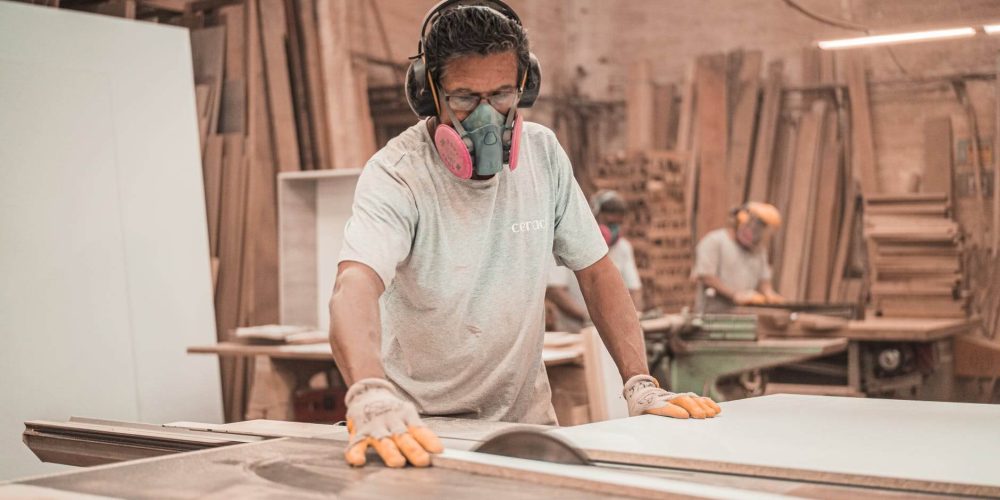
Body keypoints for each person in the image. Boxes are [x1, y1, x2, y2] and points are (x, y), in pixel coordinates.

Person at [329, 0, 721, 470]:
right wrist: (370, 393)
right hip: (417, 428)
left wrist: (640, 383)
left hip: (525, 426)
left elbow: (596, 272)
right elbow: (354, 284)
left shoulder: (543, 154)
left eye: (500, 95)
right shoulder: (398, 174)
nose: (486, 117)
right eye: (464, 98)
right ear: (428, 93)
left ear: (524, 87)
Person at [547, 190, 642, 332]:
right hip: (575, 333)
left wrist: (632, 319)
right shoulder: (567, 243)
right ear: (593, 217)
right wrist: (589, 318)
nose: (615, 229)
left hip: (612, 334)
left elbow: (634, 290)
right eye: (610, 223)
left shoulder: (623, 248)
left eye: (619, 224)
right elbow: (555, 291)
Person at [692, 202, 785, 313]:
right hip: (713, 316)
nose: (754, 234)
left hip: (742, 316)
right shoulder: (714, 241)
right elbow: (706, 276)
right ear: (738, 222)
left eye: (759, 230)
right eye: (750, 227)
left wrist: (770, 295)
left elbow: (764, 281)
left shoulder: (758, 251)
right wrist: (735, 295)